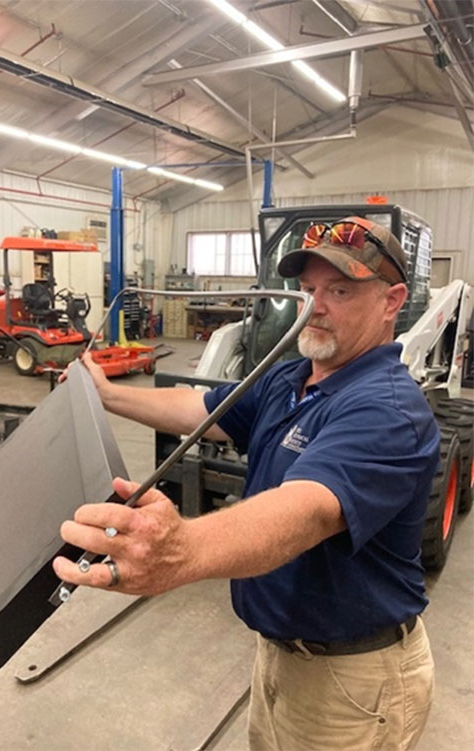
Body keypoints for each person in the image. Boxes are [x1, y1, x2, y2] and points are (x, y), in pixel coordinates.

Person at [54, 217, 439, 751]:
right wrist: (106, 395)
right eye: (307, 290)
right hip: (280, 654)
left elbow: (306, 510)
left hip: (353, 680)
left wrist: (183, 549)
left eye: (340, 290)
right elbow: (202, 407)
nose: (314, 306)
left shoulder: (386, 409)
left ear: (392, 301)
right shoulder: (291, 376)